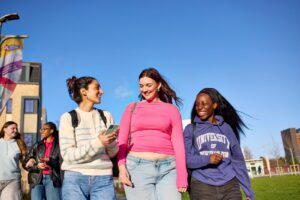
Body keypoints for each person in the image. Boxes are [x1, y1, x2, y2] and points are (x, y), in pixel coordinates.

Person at [118, 68, 188, 200]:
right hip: (137, 168)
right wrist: (122, 169)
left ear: (159, 85)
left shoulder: (172, 110)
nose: (144, 89)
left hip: (169, 169)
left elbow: (178, 143)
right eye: (141, 86)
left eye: (148, 85)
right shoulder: (132, 108)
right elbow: (122, 139)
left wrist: (182, 176)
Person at [184, 88, 254, 200]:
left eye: (204, 104)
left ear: (214, 105)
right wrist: (208, 159)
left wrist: (248, 192)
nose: (199, 107)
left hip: (230, 186)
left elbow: (238, 161)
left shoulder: (226, 128)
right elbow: (187, 160)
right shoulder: (190, 129)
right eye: (197, 104)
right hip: (202, 186)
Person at [59, 76, 118, 200]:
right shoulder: (68, 117)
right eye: (97, 88)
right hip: (75, 178)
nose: (102, 91)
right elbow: (68, 155)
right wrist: (99, 142)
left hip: (104, 179)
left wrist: (110, 141)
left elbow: (113, 153)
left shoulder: (106, 116)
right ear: (84, 91)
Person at [23, 122, 62, 200]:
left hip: (53, 180)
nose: (42, 131)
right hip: (36, 179)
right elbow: (25, 163)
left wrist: (50, 162)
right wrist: (36, 166)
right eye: (41, 129)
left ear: (51, 131)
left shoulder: (59, 146)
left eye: (45, 129)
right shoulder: (36, 145)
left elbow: (62, 164)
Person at [0, 121, 27, 200]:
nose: (16, 130)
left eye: (16, 129)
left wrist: (30, 162)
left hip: (12, 181)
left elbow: (25, 161)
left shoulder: (19, 144)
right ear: (5, 129)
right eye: (13, 128)